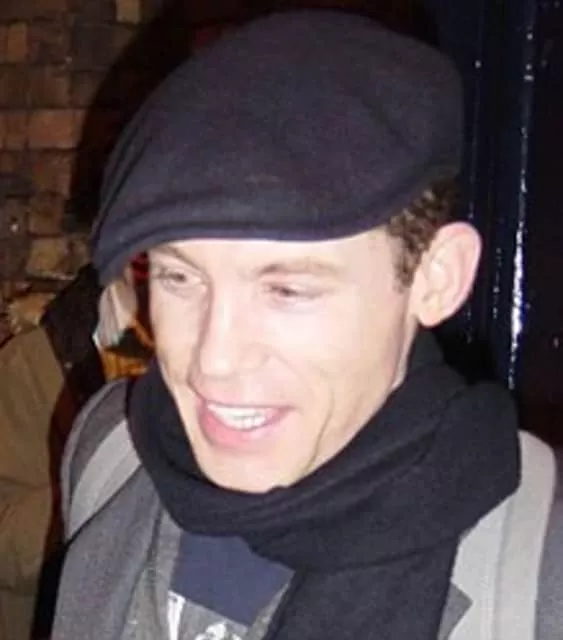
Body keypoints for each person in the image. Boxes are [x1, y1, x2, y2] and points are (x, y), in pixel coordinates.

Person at [51, 10, 562, 640]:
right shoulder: (111, 450)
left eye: (287, 290)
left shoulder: (542, 571)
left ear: (436, 278)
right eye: (180, 277)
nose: (214, 360)